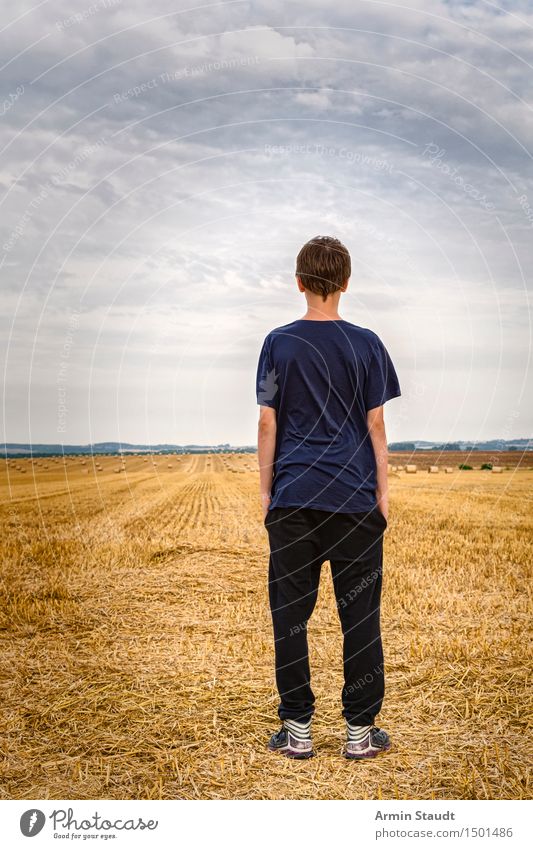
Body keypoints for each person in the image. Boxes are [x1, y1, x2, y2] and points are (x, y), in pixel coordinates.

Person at [256, 235, 401, 760]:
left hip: (294, 498)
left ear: (299, 282)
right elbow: (376, 424)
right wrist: (382, 494)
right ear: (346, 282)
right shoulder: (367, 343)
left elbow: (267, 421)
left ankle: (296, 731)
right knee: (359, 615)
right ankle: (360, 735)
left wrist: (269, 490)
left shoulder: (278, 342)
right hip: (355, 498)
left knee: (290, 614)